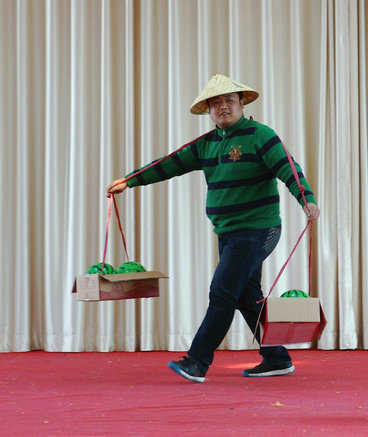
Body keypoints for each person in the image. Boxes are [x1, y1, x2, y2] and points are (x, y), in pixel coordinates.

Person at [106, 73, 320, 383]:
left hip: (258, 230)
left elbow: (289, 168)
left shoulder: (261, 136)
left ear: (242, 103)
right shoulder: (206, 144)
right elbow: (168, 163)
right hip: (229, 233)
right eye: (216, 103)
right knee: (246, 296)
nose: (223, 107)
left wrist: (306, 198)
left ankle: (197, 361)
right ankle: (277, 358)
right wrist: (129, 180)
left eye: (229, 100)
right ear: (208, 109)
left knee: (222, 292)